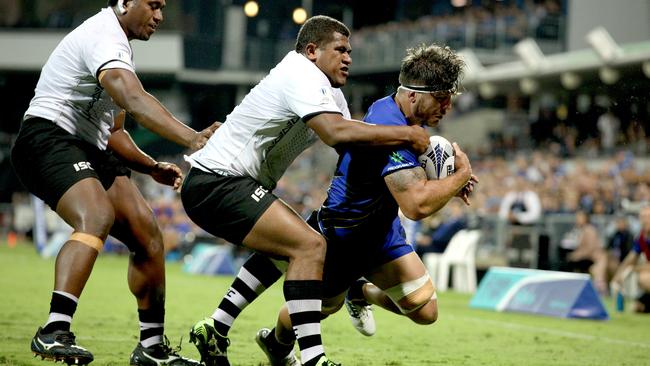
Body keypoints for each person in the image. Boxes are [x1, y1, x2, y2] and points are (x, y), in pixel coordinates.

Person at [181, 15, 430, 366]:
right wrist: (406, 134)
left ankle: (215, 328)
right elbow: (335, 133)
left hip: (227, 183)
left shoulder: (330, 92)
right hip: (218, 181)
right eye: (340, 50)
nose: (349, 58)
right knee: (310, 244)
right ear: (312, 51)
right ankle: (313, 359)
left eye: (350, 51)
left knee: (291, 243)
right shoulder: (300, 73)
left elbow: (353, 141)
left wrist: (409, 167)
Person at [11, 1, 218, 364]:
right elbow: (135, 99)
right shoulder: (103, 36)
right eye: (153, 5)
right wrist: (192, 138)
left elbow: (115, 133)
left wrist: (150, 165)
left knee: (148, 235)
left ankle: (151, 349)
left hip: (88, 145)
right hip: (47, 137)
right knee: (96, 215)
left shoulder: (119, 48)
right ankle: (53, 331)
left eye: (163, 8)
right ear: (124, 2)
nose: (160, 16)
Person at [253, 43, 476, 365]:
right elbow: (415, 206)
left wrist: (448, 186)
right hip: (345, 236)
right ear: (413, 95)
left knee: (426, 311)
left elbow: (413, 192)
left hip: (381, 232)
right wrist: (460, 176)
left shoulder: (408, 121)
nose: (448, 106)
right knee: (321, 308)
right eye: (441, 98)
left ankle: (358, 291)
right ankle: (276, 342)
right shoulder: (390, 126)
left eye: (449, 98)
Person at [612, 205, 650, 313]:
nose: (645, 220)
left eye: (648, 217)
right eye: (642, 217)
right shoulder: (642, 237)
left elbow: (634, 266)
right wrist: (618, 276)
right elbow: (630, 258)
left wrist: (633, 269)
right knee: (636, 308)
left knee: (643, 278)